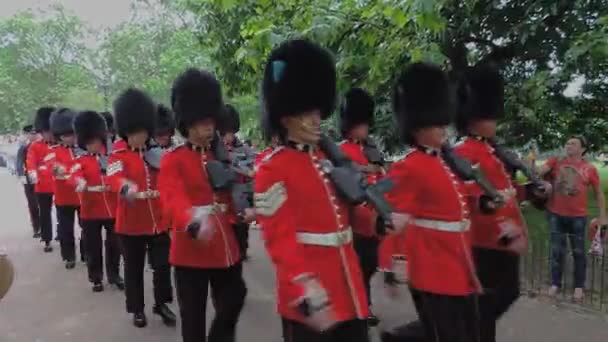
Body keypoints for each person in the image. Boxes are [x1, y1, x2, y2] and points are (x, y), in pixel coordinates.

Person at [254, 39, 369, 342]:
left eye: (318, 110)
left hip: (348, 287)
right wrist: (303, 282)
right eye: (307, 112)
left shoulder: (328, 160)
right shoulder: (271, 168)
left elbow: (350, 214)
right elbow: (278, 238)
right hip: (310, 292)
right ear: (285, 115)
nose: (317, 119)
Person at [381, 62, 483, 342]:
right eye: (436, 124)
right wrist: (392, 265)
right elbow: (392, 216)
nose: (443, 129)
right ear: (417, 127)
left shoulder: (447, 163)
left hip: (459, 264)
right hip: (432, 269)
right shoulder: (407, 167)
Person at [452, 64, 550, 342]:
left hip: (502, 243)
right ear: (473, 117)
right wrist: (506, 232)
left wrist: (533, 192)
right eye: (489, 115)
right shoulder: (464, 152)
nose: (495, 121)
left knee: (493, 303)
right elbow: (476, 200)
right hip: (485, 244)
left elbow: (508, 192)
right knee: (486, 306)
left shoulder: (493, 151)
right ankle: (420, 333)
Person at [158, 68, 247, 342]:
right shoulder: (174, 159)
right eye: (202, 122)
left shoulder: (220, 155)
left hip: (224, 245)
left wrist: (245, 208)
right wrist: (191, 219)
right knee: (193, 317)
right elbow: (172, 197)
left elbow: (231, 191)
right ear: (188, 124)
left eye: (211, 121)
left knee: (234, 299)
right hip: (191, 249)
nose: (209, 127)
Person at [107, 88, 175, 328]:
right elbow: (114, 179)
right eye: (135, 132)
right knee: (134, 270)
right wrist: (127, 189)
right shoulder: (118, 156)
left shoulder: (157, 153)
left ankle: (162, 303)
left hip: (158, 221)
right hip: (131, 224)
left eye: (144, 131)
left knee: (163, 267)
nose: (140, 136)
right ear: (126, 132)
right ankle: (137, 309)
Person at [538, 135, 607, 302]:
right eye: (567, 143)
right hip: (556, 214)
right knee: (556, 251)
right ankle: (555, 284)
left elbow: (598, 193)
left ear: (582, 149)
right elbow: (538, 173)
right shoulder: (556, 161)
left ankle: (579, 287)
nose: (568, 145)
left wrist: (603, 216)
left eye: (573, 143)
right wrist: (535, 168)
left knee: (578, 252)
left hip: (578, 217)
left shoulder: (589, 168)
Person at [337, 87, 384, 326]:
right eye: (361, 123)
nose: (365, 128)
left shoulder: (371, 149)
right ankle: (362, 306)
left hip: (374, 217)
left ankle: (360, 303)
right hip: (355, 218)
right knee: (361, 264)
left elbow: (381, 178)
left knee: (370, 263)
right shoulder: (342, 150)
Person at [70, 110, 124, 292]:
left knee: (114, 244)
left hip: (111, 207)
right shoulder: (80, 159)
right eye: (90, 143)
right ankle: (96, 278)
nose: (94, 145)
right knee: (93, 246)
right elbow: (75, 175)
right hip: (90, 209)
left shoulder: (111, 157)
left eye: (97, 142)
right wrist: (81, 182)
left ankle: (114, 274)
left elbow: (117, 174)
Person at [219, 104, 256, 259]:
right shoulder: (215, 149)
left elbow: (252, 171)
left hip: (240, 193)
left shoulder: (244, 150)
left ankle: (242, 249)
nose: (228, 136)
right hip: (223, 194)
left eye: (230, 133)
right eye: (225, 133)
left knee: (241, 230)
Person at [47, 108, 81, 269]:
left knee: (86, 228)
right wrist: (64, 172)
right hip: (64, 196)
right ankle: (69, 256)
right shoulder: (53, 151)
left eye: (73, 134)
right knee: (66, 229)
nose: (71, 138)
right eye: (68, 135)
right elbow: (53, 167)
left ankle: (87, 253)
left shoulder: (81, 150)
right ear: (60, 136)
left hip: (82, 196)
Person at [26, 106, 56, 252]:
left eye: (49, 131)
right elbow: (31, 163)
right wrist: (33, 174)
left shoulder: (60, 145)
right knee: (44, 213)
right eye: (45, 132)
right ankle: (47, 239)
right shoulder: (35, 146)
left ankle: (61, 234)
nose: (48, 134)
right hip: (43, 184)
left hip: (59, 184)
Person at [16, 124, 40, 238]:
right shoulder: (24, 147)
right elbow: (19, 162)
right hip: (29, 178)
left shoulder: (41, 146)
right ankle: (36, 227)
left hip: (42, 178)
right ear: (28, 135)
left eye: (35, 133)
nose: (34, 136)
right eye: (32, 134)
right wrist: (21, 175)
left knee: (44, 205)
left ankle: (45, 228)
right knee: (33, 204)